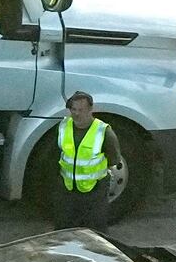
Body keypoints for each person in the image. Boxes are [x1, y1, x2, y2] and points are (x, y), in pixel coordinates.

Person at [51, 90, 124, 229]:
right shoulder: (63, 127)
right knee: (63, 227)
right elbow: (57, 153)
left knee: (96, 230)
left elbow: (114, 159)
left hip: (95, 190)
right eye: (73, 109)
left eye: (81, 110)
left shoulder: (104, 132)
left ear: (91, 110)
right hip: (68, 188)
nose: (76, 113)